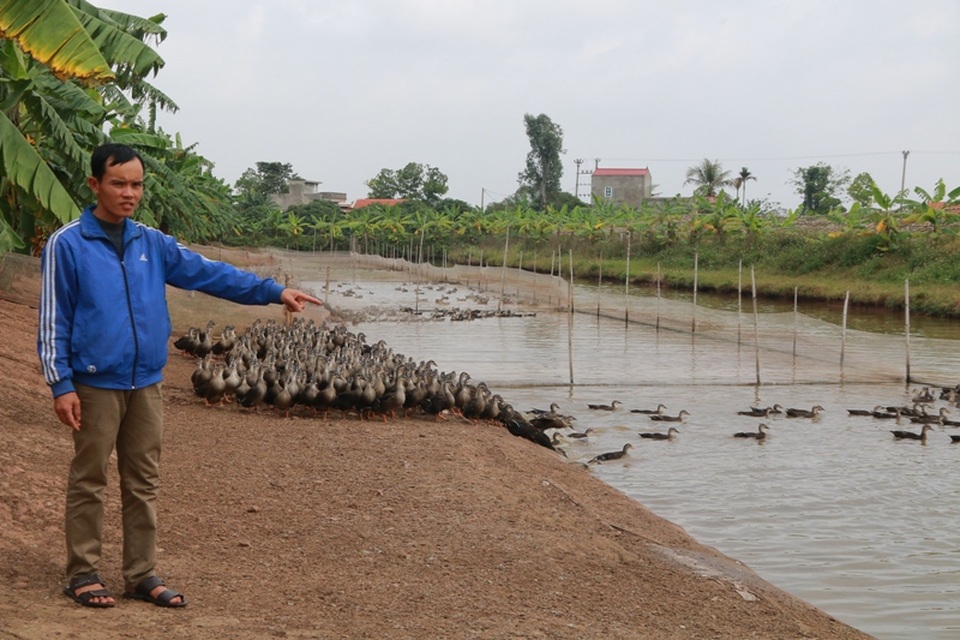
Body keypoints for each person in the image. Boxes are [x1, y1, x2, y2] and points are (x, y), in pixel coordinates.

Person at [37, 143, 321, 608]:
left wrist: (274, 291)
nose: (129, 193)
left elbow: (211, 274)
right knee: (89, 478)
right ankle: (82, 572)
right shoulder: (67, 244)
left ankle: (140, 574)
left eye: (137, 184)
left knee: (143, 480)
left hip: (145, 381)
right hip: (94, 382)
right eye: (118, 183)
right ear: (95, 185)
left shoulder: (151, 242)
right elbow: (54, 319)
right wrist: (61, 384)